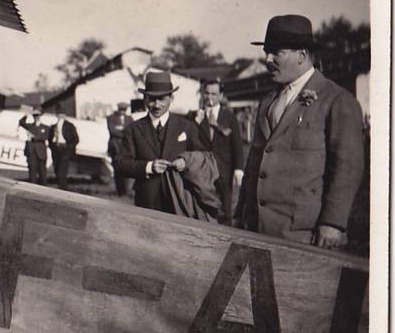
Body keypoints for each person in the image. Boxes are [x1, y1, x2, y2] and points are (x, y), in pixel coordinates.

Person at [234, 15, 365, 250]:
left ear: (302, 56)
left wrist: (332, 223)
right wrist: (240, 214)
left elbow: (348, 166)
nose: (267, 59)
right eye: (266, 52)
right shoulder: (267, 102)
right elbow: (255, 162)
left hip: (305, 237)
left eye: (276, 52)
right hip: (255, 232)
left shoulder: (337, 101)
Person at [114, 71, 205, 214]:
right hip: (147, 204)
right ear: (144, 99)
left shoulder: (186, 126)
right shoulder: (133, 129)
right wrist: (149, 167)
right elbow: (121, 164)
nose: (156, 105)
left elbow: (202, 155)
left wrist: (186, 161)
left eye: (161, 99)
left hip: (180, 200)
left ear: (171, 98)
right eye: (151, 99)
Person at [190, 79, 244, 224]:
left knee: (226, 210)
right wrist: (195, 123)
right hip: (202, 169)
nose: (209, 97)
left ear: (221, 96)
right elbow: (190, 141)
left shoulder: (229, 117)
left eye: (214, 94)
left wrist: (238, 169)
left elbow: (237, 144)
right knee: (202, 207)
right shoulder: (195, 116)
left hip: (224, 170)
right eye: (206, 93)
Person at [107, 102, 135, 196]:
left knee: (126, 168)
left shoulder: (130, 119)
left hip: (126, 148)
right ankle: (120, 191)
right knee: (117, 169)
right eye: (121, 110)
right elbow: (112, 131)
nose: (122, 112)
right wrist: (124, 132)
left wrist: (121, 130)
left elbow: (132, 131)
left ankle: (126, 190)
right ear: (118, 109)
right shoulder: (111, 118)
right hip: (115, 147)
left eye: (124, 110)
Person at [18, 107, 50, 185]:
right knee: (32, 175)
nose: (36, 117)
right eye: (34, 116)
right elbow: (21, 122)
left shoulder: (45, 127)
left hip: (41, 154)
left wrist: (33, 137)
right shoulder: (30, 126)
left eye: (37, 115)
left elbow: (45, 137)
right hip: (31, 153)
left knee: (43, 175)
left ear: (40, 116)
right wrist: (27, 114)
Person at [48, 112, 80, 190]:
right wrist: (52, 147)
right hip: (56, 149)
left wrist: (69, 148)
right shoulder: (53, 126)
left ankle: (63, 189)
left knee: (62, 171)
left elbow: (76, 139)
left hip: (65, 150)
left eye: (62, 115)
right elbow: (50, 139)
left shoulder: (70, 126)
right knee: (56, 170)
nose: (60, 116)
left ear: (65, 116)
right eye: (59, 115)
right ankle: (61, 187)